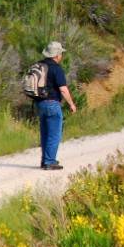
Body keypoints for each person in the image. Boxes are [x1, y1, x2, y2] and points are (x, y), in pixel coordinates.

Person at [37, 41, 77, 170]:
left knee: (45, 133)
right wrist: (71, 104)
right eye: (61, 53)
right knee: (54, 134)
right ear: (57, 55)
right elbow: (63, 89)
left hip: (40, 104)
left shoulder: (40, 66)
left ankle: (45, 160)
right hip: (53, 104)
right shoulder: (56, 68)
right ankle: (50, 161)